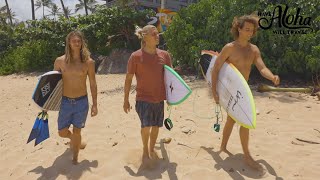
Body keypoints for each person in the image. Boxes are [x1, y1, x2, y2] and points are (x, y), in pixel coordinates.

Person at [211, 15, 280, 170]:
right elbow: (215, 69)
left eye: (252, 30)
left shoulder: (254, 50)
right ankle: (246, 156)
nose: (250, 32)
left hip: (243, 90)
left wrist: (272, 77)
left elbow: (262, 68)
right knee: (245, 120)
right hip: (229, 90)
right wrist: (214, 90)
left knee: (233, 119)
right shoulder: (229, 48)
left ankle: (223, 147)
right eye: (247, 29)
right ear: (239, 29)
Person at [123, 25, 172, 163]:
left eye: (158, 33)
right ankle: (145, 150)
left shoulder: (165, 55)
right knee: (146, 126)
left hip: (159, 99)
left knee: (156, 126)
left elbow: (170, 78)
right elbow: (128, 79)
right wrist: (125, 99)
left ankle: (151, 149)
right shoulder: (135, 56)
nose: (157, 36)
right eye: (154, 34)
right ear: (145, 36)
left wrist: (171, 97)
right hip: (143, 98)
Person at [54, 30, 98, 164]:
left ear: (82, 43)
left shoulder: (89, 62)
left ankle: (75, 156)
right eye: (74, 41)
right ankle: (75, 140)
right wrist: (46, 104)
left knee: (78, 130)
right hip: (65, 101)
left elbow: (92, 83)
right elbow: (53, 83)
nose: (77, 43)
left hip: (81, 102)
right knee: (62, 132)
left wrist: (95, 104)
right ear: (69, 43)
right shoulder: (60, 61)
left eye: (79, 41)